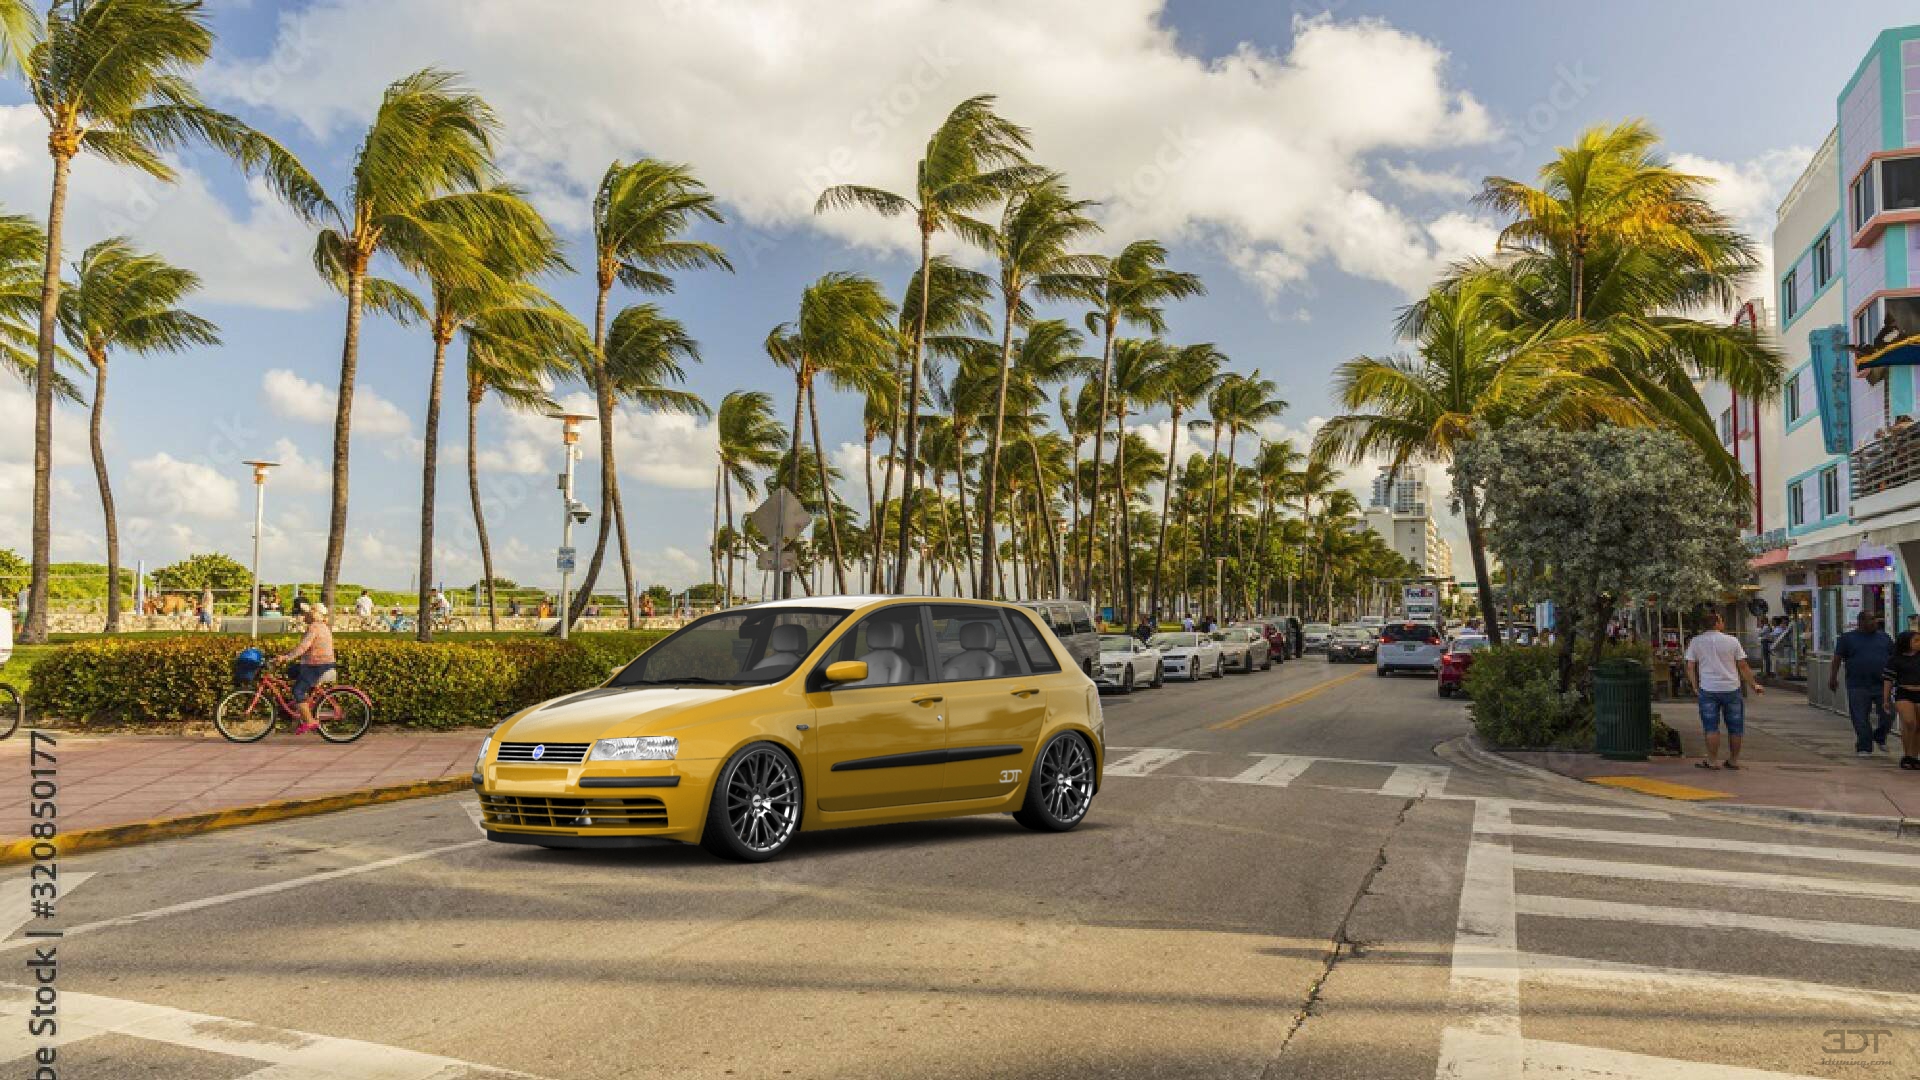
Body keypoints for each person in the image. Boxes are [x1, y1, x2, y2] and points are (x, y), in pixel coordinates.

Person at [1685, 611, 1763, 771]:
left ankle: (1712, 761)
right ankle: (1733, 760)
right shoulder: (1732, 641)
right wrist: (1754, 684)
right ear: (1716, 623)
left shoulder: (1696, 642)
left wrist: (1694, 686)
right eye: (1721, 620)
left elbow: (1690, 666)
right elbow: (1743, 665)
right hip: (1731, 688)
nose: (1723, 623)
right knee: (1735, 727)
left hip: (1708, 689)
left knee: (1711, 727)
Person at [1832, 611, 1895, 755]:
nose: (1875, 622)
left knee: (1889, 713)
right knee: (1860, 717)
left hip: (1882, 684)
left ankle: (1880, 736)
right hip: (1858, 684)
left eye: (1875, 619)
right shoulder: (1847, 638)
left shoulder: (1884, 637)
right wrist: (1833, 677)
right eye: (1871, 619)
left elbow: (1893, 658)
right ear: (1860, 621)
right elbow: (1837, 658)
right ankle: (1864, 746)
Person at [274, 603, 336, 736]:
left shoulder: (314, 628)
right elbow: (304, 647)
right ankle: (301, 707)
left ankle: (309, 721)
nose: (303, 616)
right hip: (319, 664)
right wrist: (287, 654)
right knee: (291, 672)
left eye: (306, 613)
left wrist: (286, 657)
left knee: (297, 691)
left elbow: (303, 647)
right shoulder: (321, 626)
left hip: (316, 665)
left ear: (313, 615)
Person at [1883, 631, 1920, 771]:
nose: (1919, 643)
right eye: (1916, 640)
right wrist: (1886, 699)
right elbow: (1888, 680)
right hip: (1904, 692)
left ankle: (1915, 757)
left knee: (1918, 727)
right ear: (1906, 642)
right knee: (1910, 722)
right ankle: (1907, 755)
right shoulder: (1895, 659)